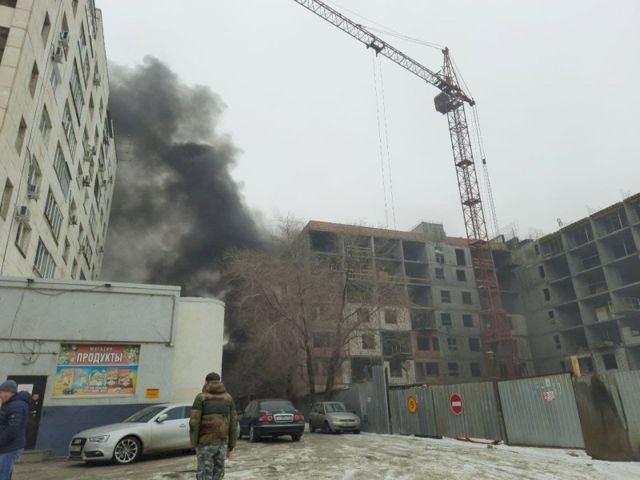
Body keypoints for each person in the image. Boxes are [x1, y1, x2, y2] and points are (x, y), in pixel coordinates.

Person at [190, 372, 237, 480]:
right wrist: (231, 444)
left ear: (206, 382)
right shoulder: (228, 398)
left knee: (204, 473)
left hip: (205, 443)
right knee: (218, 472)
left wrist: (194, 443)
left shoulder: (201, 397)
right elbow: (233, 423)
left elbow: (194, 423)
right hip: (222, 443)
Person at [0, 380, 31, 480]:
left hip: (10, 447)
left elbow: (13, 428)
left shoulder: (16, 405)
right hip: (8, 446)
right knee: (4, 473)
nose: (0, 395)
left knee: (2, 474)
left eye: (1, 392)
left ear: (8, 392)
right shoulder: (11, 404)